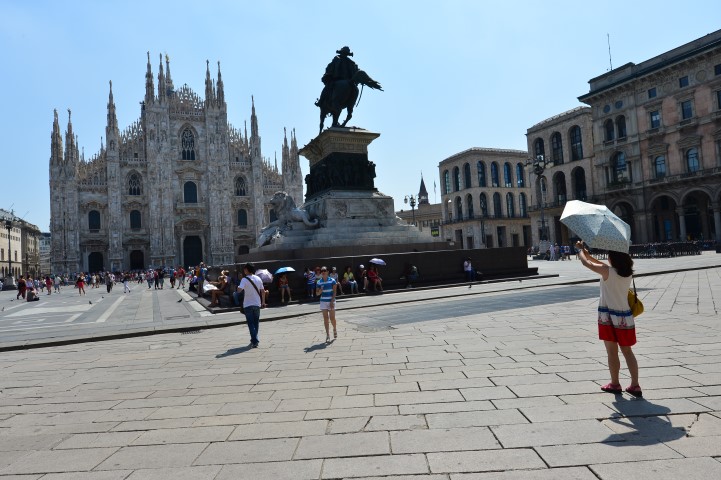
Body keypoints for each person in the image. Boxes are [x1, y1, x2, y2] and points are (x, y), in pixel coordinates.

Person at [576, 241, 642, 398]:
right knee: (627, 351)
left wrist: (579, 251)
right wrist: (586, 251)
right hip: (625, 317)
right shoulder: (626, 272)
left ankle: (615, 383)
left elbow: (587, 264)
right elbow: (597, 263)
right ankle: (635, 385)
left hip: (608, 317)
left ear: (613, 258)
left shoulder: (608, 272)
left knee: (612, 352)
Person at [238, 262, 263, 348]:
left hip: (248, 304)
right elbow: (262, 291)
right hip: (257, 304)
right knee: (256, 323)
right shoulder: (258, 278)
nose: (244, 270)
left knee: (250, 323)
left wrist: (239, 284)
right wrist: (263, 302)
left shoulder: (244, 279)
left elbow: (239, 290)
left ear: (247, 269)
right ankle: (254, 339)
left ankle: (255, 341)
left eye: (245, 269)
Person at [315, 266, 338, 343]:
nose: (323, 272)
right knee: (325, 319)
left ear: (328, 271)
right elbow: (317, 294)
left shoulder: (332, 280)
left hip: (331, 301)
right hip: (323, 301)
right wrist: (320, 291)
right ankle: (328, 335)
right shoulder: (319, 282)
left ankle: (334, 329)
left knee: (332, 318)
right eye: (322, 271)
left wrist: (332, 301)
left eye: (324, 270)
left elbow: (334, 292)